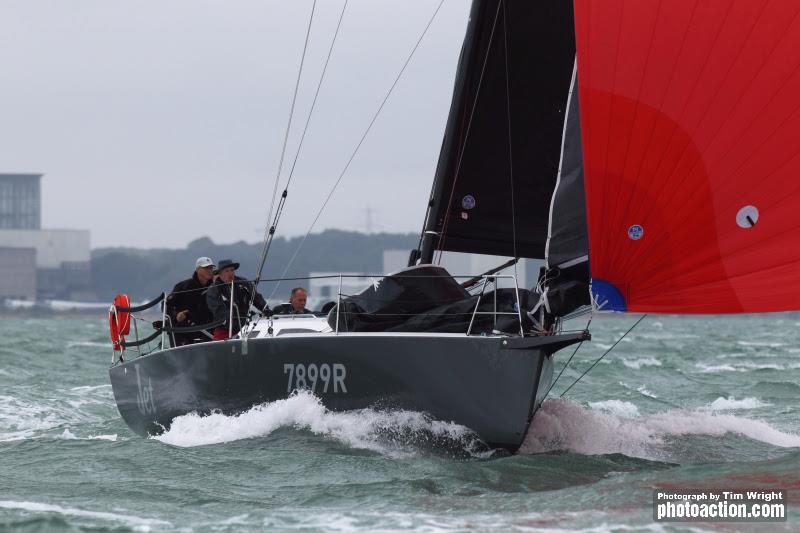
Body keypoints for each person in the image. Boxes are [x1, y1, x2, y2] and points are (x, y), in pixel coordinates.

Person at [206, 259, 269, 340]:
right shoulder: (213, 289)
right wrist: (231, 322)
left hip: (244, 329)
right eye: (227, 271)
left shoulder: (244, 283)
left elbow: (256, 297)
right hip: (224, 330)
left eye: (232, 270)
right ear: (220, 273)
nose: (230, 273)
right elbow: (218, 310)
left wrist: (265, 309)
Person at [165, 256, 216, 346]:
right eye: (206, 268)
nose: (209, 270)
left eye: (211, 268)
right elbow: (166, 305)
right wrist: (176, 316)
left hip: (207, 332)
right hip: (183, 332)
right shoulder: (183, 286)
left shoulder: (216, 287)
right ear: (197, 269)